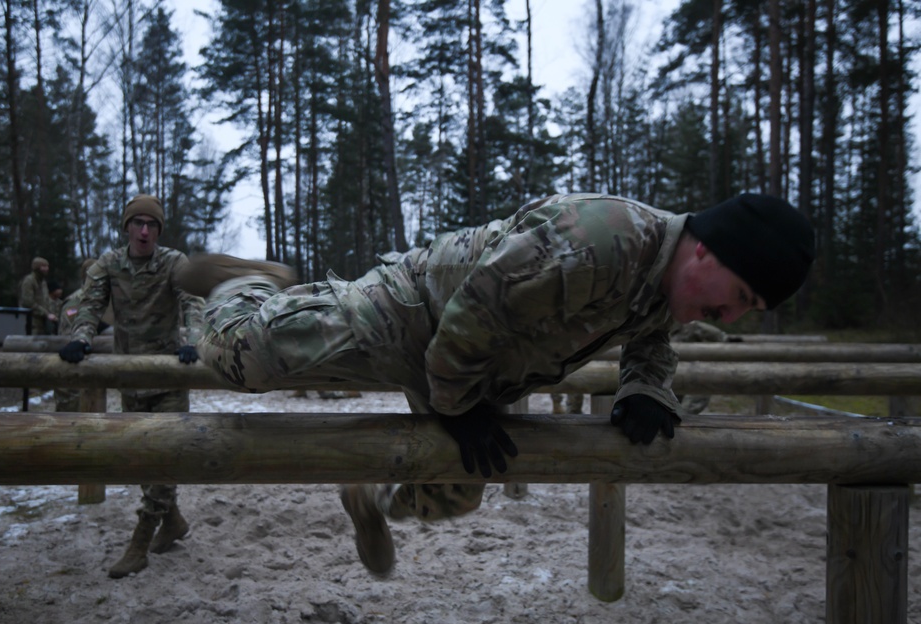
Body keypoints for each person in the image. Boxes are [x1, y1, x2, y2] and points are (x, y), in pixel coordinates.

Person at [179, 192, 815, 576]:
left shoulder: (663, 287)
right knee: (236, 361)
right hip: (413, 312)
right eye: (738, 297)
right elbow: (476, 306)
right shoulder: (599, 240)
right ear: (707, 253)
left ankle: (369, 498)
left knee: (453, 494)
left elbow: (650, 339)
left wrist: (646, 389)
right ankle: (244, 279)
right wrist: (457, 406)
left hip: (485, 367)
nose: (730, 317)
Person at [57, 194, 205, 579]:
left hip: (169, 375)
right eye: (137, 223)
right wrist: (83, 338)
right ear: (126, 227)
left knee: (166, 456)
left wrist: (192, 340)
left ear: (159, 230)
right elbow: (89, 305)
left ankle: (141, 540)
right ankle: (171, 520)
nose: (144, 231)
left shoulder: (174, 262)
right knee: (141, 458)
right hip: (130, 376)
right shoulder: (108, 264)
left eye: (151, 225)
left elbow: (192, 302)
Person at [54, 259, 97, 413]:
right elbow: (67, 337)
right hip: (74, 371)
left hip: (97, 372)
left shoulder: (105, 300)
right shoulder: (75, 301)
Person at [18, 257, 58, 335]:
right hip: (31, 321)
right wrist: (46, 314)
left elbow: (46, 299)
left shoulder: (43, 282)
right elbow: (28, 302)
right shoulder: (28, 281)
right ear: (37, 267)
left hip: (42, 321)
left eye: (47, 266)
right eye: (44, 266)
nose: (47, 269)